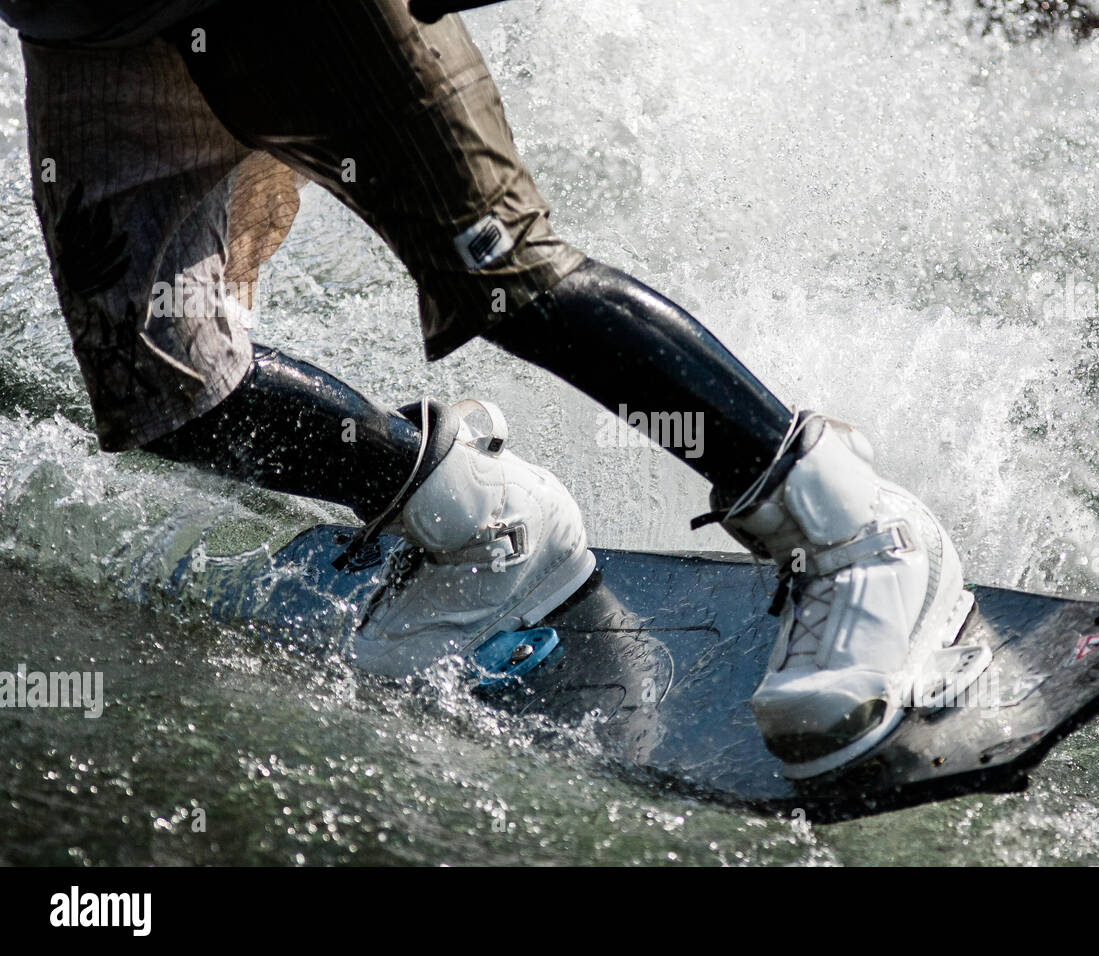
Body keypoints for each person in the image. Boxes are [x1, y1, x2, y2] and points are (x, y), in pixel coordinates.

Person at [0, 0, 971, 779]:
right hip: (89, 27)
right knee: (161, 380)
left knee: (507, 279)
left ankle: (855, 527)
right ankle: (476, 517)